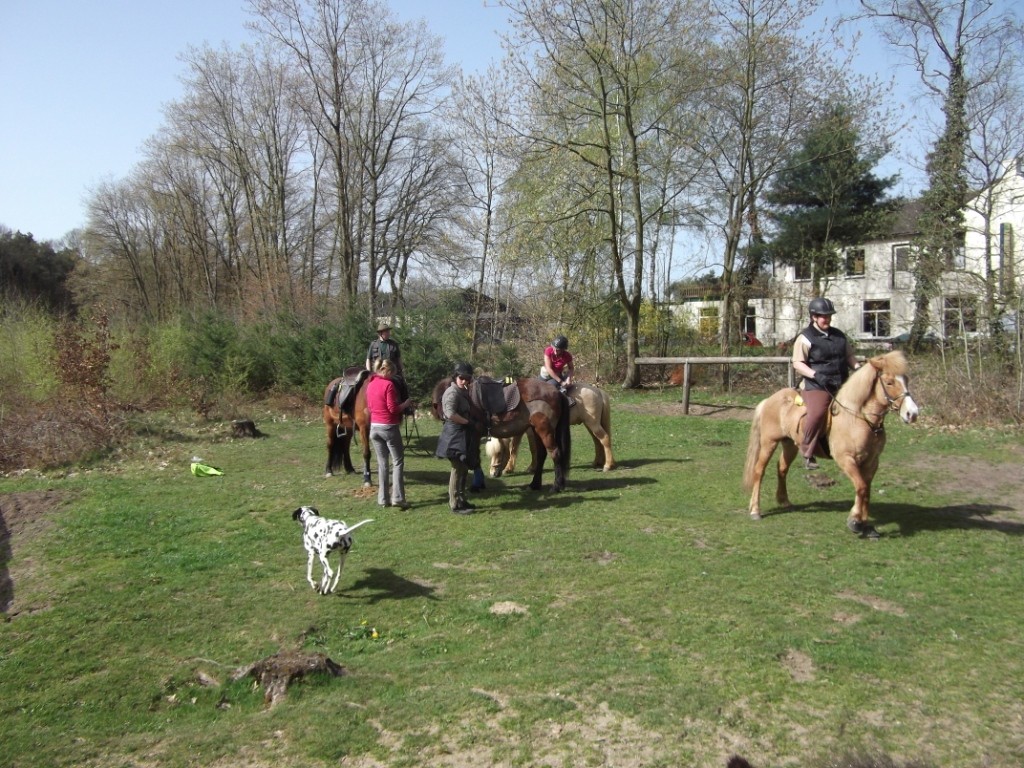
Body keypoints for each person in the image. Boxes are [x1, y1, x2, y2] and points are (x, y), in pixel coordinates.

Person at [792, 297, 861, 470]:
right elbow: (798, 363)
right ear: (814, 316)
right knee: (817, 413)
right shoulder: (805, 338)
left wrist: (858, 369)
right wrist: (815, 375)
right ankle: (808, 452)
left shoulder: (839, 335)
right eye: (823, 316)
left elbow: (849, 357)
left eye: (829, 316)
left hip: (841, 383)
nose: (827, 319)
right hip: (817, 386)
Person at [365, 359, 415, 509]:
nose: (392, 376)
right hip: (389, 427)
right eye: (392, 373)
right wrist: (405, 404)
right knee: (398, 461)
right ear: (386, 371)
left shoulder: (370, 384)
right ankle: (398, 498)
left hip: (374, 427)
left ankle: (382, 499)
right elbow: (393, 409)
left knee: (382, 463)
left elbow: (370, 406)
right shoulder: (389, 385)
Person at [435, 362, 479, 515]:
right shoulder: (452, 393)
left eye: (467, 378)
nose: (465, 381)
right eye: (462, 378)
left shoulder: (462, 391)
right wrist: (467, 421)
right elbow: (450, 414)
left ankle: (461, 498)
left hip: (462, 432)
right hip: (454, 433)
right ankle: (454, 503)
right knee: (457, 468)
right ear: (455, 377)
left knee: (464, 467)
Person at [541, 334, 575, 404]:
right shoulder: (548, 350)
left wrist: (569, 378)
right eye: (554, 349)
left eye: (558, 350)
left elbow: (571, 368)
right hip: (545, 375)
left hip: (555, 378)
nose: (555, 352)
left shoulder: (567, 356)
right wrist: (561, 382)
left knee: (549, 391)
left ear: (563, 350)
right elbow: (549, 368)